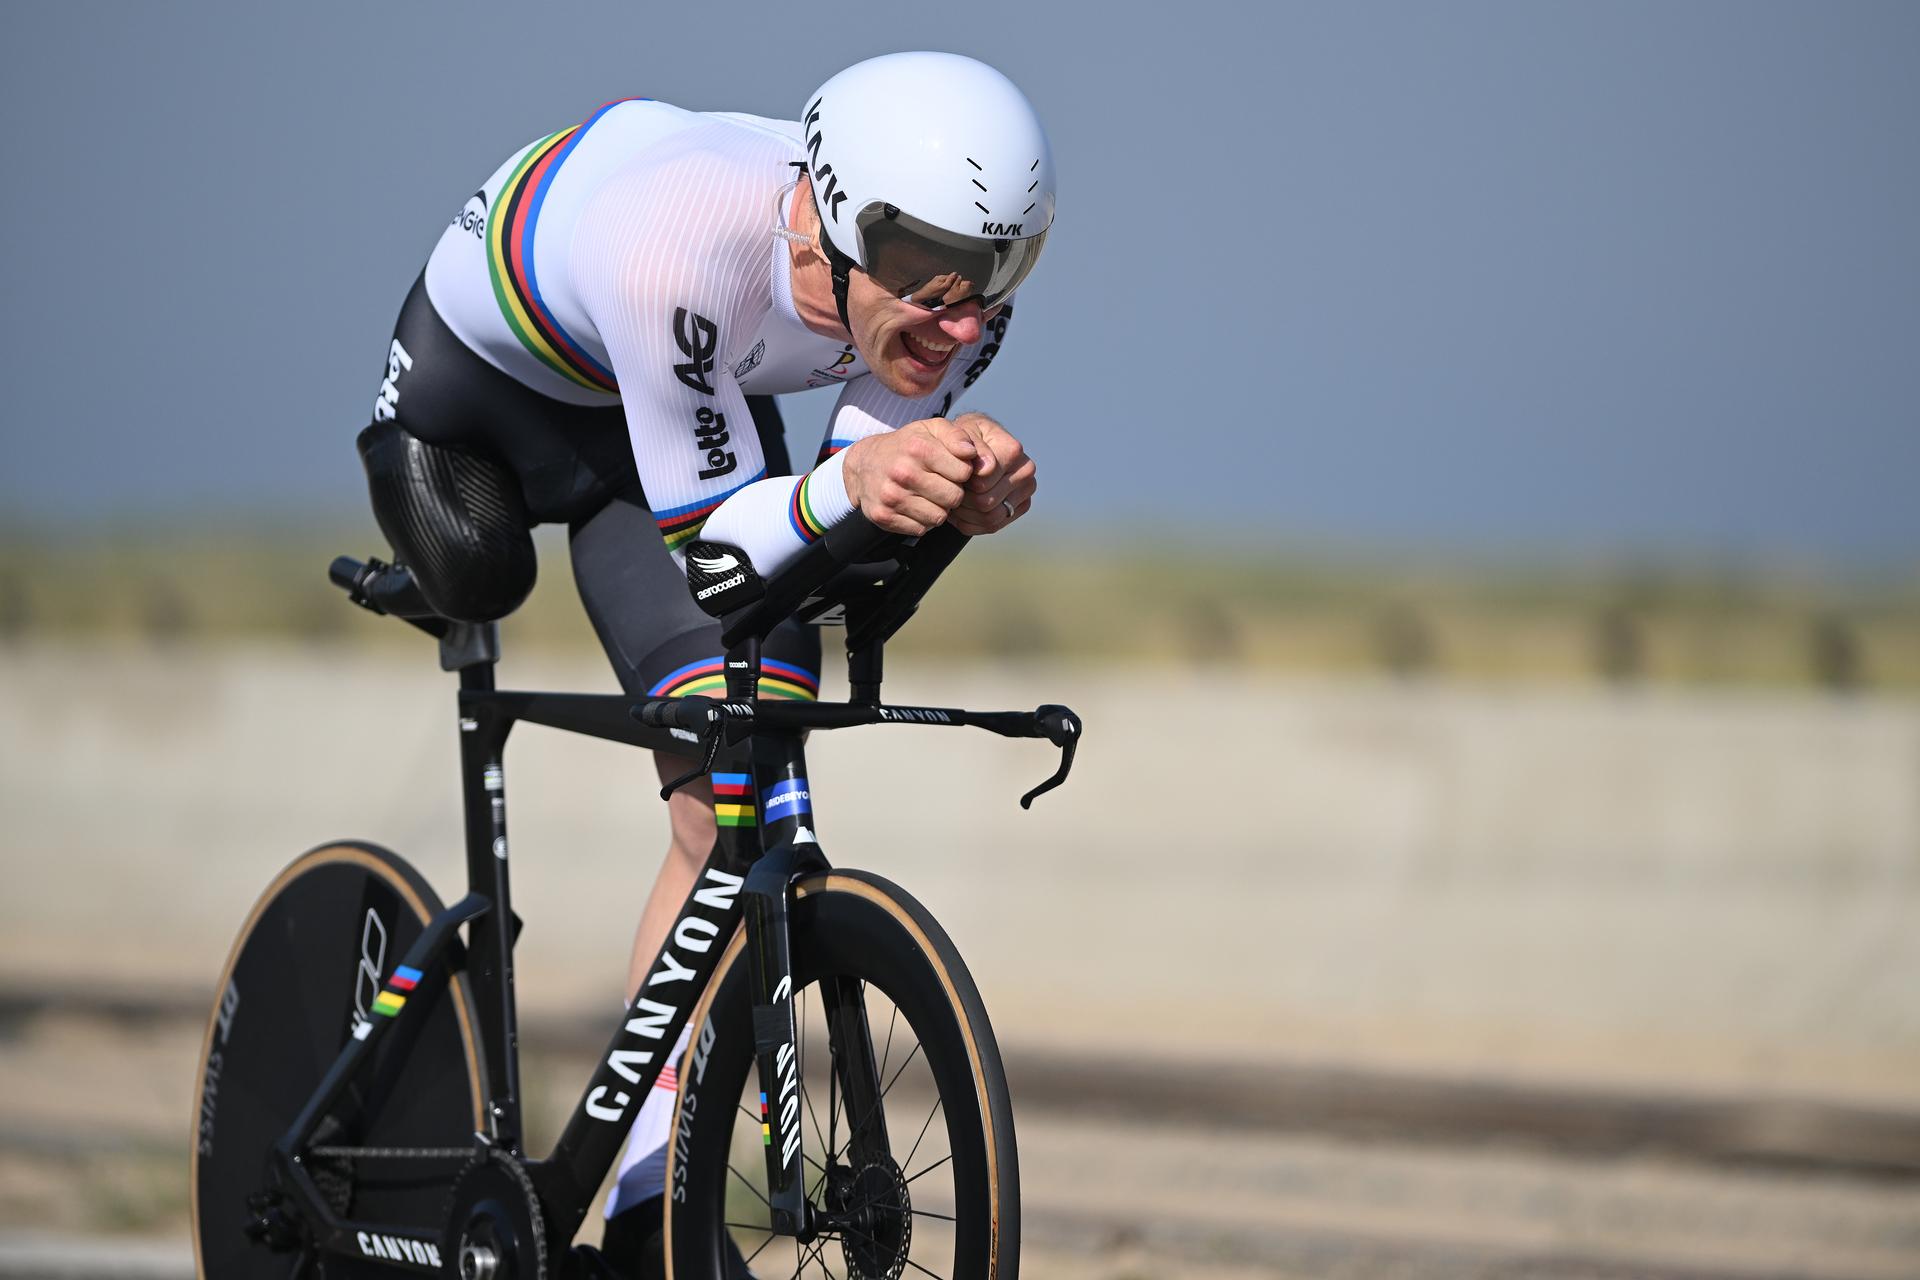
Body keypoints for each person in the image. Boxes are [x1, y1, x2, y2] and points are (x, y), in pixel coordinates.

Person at [355, 51, 1054, 1275]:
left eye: (994, 276)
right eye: (933, 281)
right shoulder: (678, 240)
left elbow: (840, 529)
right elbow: (729, 545)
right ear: (840, 224)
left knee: (730, 777)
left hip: (675, 415)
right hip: (488, 406)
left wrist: (952, 493)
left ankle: (640, 1203)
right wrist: (854, 483)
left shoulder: (946, 292)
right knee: (484, 567)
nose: (961, 317)